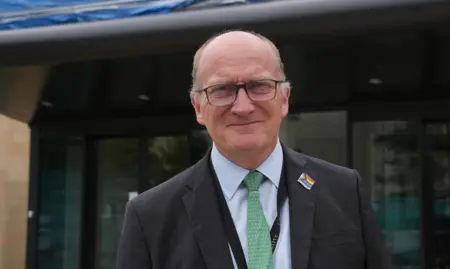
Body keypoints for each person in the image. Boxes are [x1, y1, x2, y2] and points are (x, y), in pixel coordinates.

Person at [116, 30, 392, 269]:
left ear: (284, 99)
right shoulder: (150, 216)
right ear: (198, 107)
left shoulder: (344, 191)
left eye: (259, 86)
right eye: (222, 89)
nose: (243, 107)